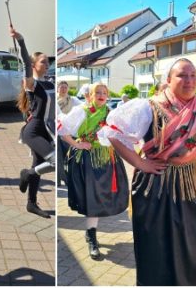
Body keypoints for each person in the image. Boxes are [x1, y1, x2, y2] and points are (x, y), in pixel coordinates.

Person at [99, 58, 196, 285]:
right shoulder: (148, 107)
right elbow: (113, 134)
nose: (189, 80)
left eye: (193, 75)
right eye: (182, 75)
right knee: (160, 249)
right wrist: (140, 164)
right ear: (169, 80)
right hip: (160, 188)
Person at [58, 82, 129, 261]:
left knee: (105, 197)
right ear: (89, 95)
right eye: (98, 92)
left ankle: (91, 233)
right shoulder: (81, 111)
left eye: (105, 92)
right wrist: (77, 143)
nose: (102, 95)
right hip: (88, 161)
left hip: (107, 159)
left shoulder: (111, 113)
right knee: (93, 199)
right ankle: (91, 236)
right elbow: (62, 129)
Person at [12, 28, 56, 218]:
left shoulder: (51, 84)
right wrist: (21, 41)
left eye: (48, 61)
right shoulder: (32, 84)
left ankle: (31, 203)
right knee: (54, 161)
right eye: (43, 61)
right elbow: (25, 64)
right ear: (34, 65)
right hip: (33, 131)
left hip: (47, 131)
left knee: (39, 164)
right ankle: (27, 174)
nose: (47, 64)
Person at [56, 80, 73, 187]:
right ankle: (59, 180)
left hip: (68, 132)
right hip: (57, 131)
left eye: (65, 87)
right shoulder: (55, 100)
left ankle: (68, 178)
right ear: (57, 88)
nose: (63, 89)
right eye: (61, 87)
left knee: (69, 157)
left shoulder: (72, 100)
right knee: (59, 158)